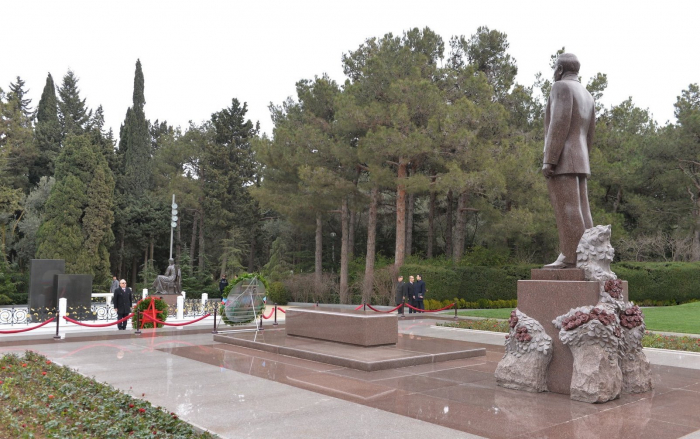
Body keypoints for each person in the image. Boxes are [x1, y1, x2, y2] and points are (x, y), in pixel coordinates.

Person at [542, 53, 596, 269]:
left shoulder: (561, 87)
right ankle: (589, 254)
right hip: (581, 157)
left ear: (560, 69)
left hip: (564, 156)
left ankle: (570, 256)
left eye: (554, 67)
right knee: (583, 208)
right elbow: (590, 133)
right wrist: (585, 158)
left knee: (567, 208)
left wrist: (550, 159)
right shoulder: (588, 94)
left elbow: (559, 123)